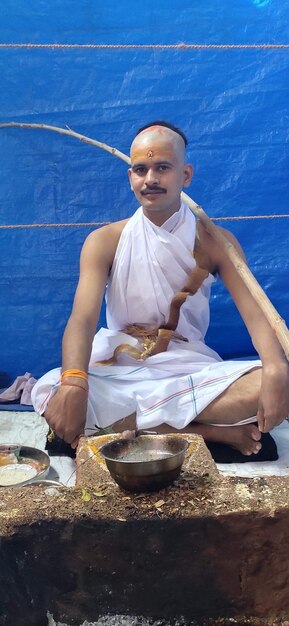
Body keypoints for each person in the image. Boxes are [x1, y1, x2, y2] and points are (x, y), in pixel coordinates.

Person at [32, 120, 289, 459]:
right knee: (50, 389)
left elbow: (256, 315)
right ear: (130, 178)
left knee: (273, 383)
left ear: (186, 175)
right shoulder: (104, 241)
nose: (150, 179)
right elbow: (82, 319)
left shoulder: (216, 242)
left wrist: (276, 368)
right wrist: (76, 381)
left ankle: (122, 430)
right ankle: (208, 432)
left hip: (188, 368)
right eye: (140, 169)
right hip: (118, 366)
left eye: (162, 168)